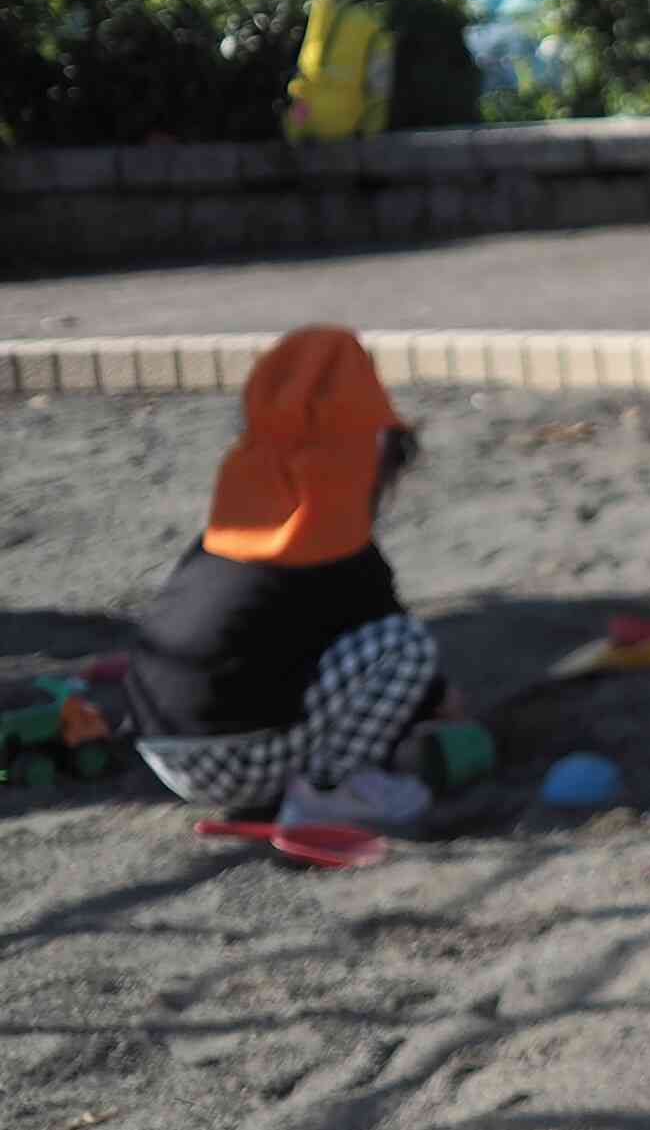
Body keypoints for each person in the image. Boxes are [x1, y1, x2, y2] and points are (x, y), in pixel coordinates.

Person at [127, 326, 442, 835]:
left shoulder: (233, 527)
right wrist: (440, 706)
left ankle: (288, 776)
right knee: (406, 649)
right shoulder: (339, 546)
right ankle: (330, 793)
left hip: (158, 746)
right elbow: (387, 639)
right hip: (232, 760)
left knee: (282, 654)